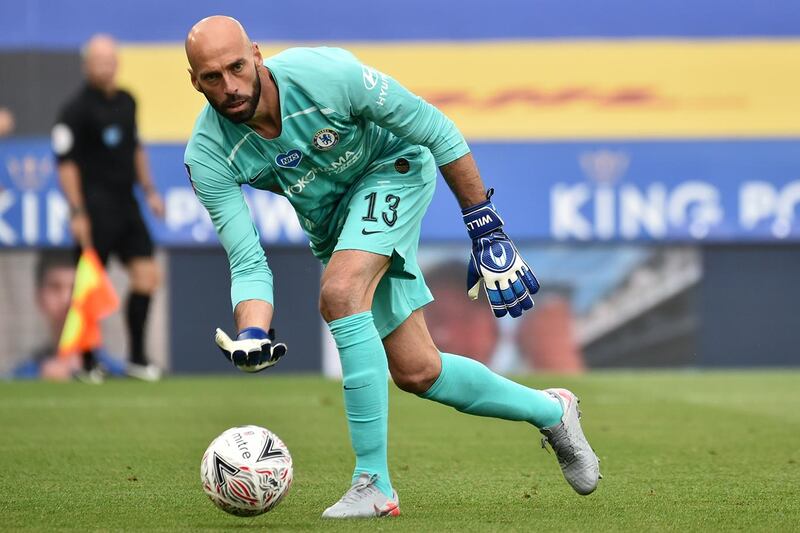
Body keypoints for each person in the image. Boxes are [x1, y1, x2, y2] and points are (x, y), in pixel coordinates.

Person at [183, 16, 601, 518]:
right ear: (195, 81)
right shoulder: (207, 154)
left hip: (394, 170)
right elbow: (247, 260)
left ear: (256, 55)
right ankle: (553, 411)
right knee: (418, 370)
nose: (229, 87)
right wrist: (251, 329)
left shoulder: (327, 76)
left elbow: (436, 129)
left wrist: (484, 225)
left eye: (235, 68)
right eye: (212, 77)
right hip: (333, 223)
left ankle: (373, 483)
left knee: (339, 293)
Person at [52, 34, 163, 382]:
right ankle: (87, 363)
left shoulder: (128, 101)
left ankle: (138, 358)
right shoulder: (74, 110)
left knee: (147, 275)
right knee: (87, 285)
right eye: (99, 60)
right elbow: (66, 164)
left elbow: (135, 148)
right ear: (87, 65)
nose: (106, 66)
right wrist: (77, 212)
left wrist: (149, 191)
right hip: (94, 207)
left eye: (111, 59)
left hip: (127, 204)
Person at [11, 250, 126, 380]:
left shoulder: (120, 375)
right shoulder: (20, 376)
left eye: (76, 287)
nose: (66, 299)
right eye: (55, 287)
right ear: (39, 296)